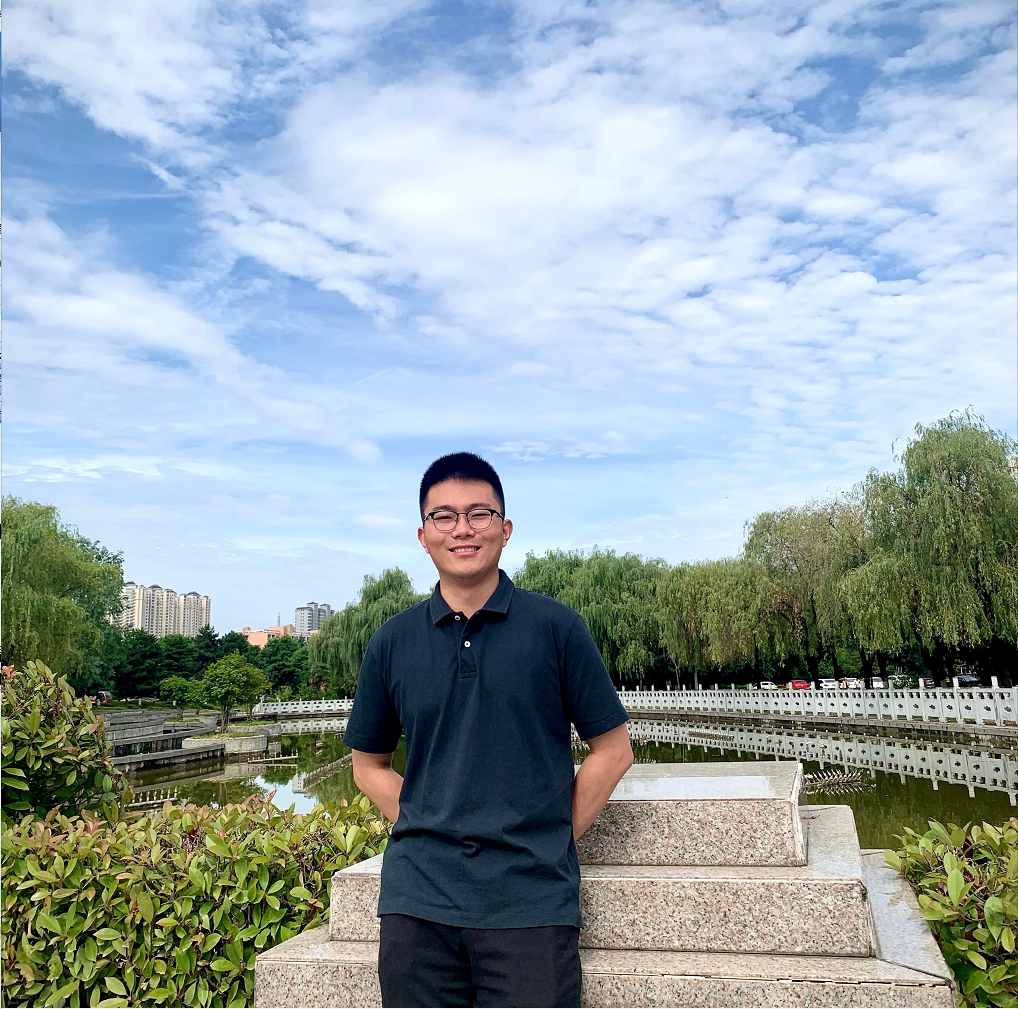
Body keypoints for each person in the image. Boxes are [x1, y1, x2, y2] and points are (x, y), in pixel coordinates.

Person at [344, 452, 633, 1008]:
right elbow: (367, 765)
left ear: (505, 528)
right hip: (418, 903)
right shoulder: (392, 641)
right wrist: (426, 823)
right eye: (444, 516)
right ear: (423, 535)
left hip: (530, 903)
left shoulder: (557, 628)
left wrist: (553, 836)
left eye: (479, 513)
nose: (462, 529)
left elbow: (613, 751)